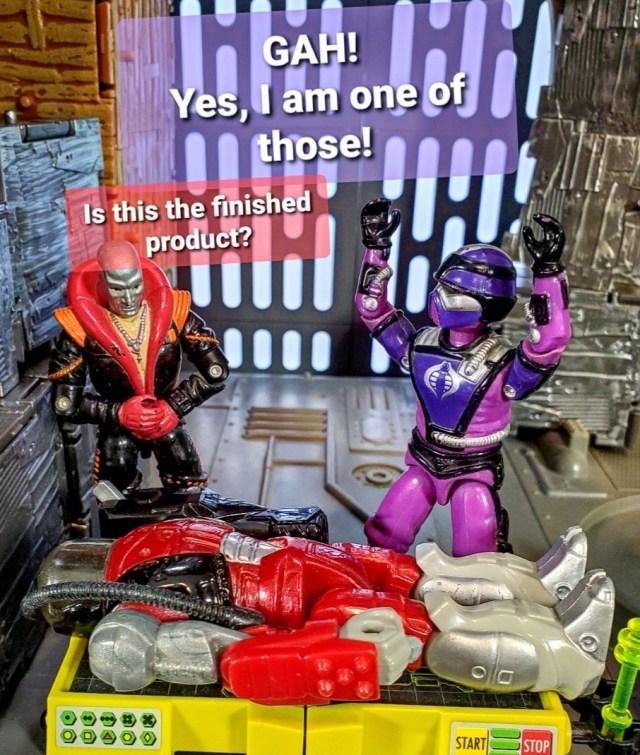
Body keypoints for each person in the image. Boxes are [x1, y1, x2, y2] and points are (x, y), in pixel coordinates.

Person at [34, 521, 613, 705]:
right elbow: (237, 663)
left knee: (420, 570)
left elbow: (229, 524)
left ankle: (540, 585)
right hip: (306, 609)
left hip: (312, 562)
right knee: (425, 624)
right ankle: (565, 657)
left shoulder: (140, 546)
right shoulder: (129, 624)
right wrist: (347, 655)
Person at [354, 199, 571, 555]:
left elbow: (548, 345)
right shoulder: (421, 345)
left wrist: (548, 273)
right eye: (442, 287)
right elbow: (373, 310)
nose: (440, 298)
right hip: (423, 460)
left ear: (485, 303)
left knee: (476, 548)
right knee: (386, 531)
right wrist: (376, 248)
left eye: (454, 293)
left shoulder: (501, 363)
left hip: (473, 469)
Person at [49, 240, 229, 494]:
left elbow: (216, 371)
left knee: (188, 481)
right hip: (117, 426)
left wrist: (173, 406)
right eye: (117, 289)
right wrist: (119, 413)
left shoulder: (175, 313)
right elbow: (65, 404)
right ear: (102, 284)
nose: (129, 298)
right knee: (115, 488)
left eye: (135, 286)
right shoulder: (78, 328)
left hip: (166, 417)